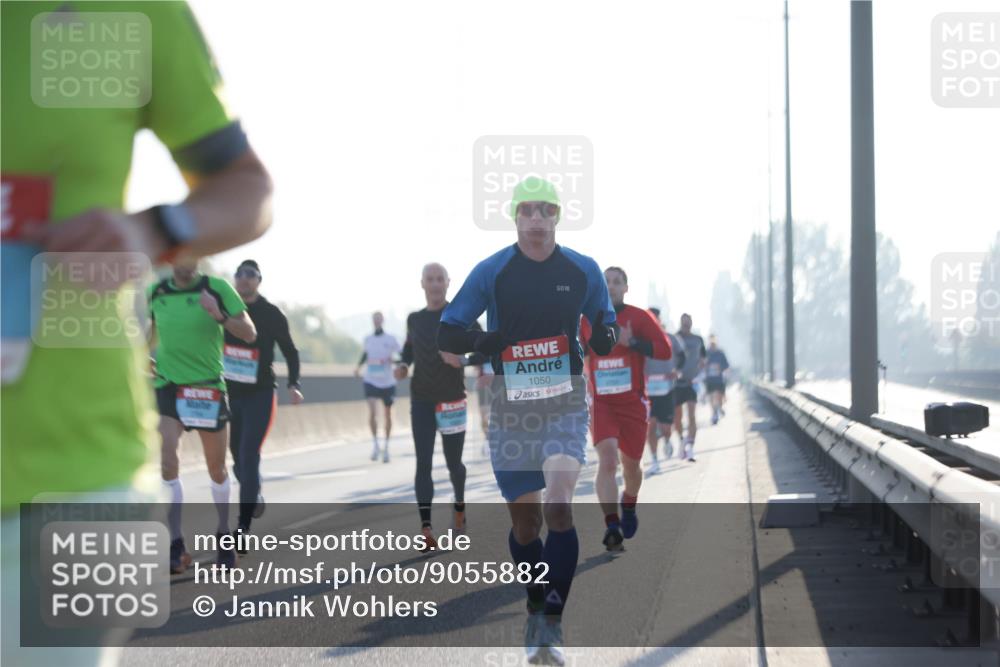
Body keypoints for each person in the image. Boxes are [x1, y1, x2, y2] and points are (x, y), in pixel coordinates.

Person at [1, 3, 271, 664]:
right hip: (164, 391)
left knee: (206, 461)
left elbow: (247, 189)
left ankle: (219, 530)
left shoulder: (133, 13)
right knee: (177, 452)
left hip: (77, 475)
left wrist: (154, 232)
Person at [438, 176, 617, 665]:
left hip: (564, 401)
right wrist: (483, 343)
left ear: (557, 216)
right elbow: (447, 333)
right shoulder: (493, 271)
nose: (536, 219)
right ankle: (535, 597)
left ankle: (550, 624)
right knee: (527, 524)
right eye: (527, 211)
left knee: (559, 506)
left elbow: (604, 317)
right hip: (513, 409)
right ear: (514, 217)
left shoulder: (582, 269)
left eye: (545, 210)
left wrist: (604, 331)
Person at [149, 259, 256, 572]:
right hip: (169, 385)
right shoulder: (155, 291)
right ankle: (176, 544)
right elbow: (144, 331)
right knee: (168, 461)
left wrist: (218, 315)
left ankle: (224, 534)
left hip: (207, 388)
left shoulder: (218, 289)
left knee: (216, 468)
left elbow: (249, 332)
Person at [580, 267, 671, 551]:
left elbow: (665, 350)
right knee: (607, 461)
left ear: (626, 288)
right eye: (606, 282)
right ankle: (611, 525)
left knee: (631, 466)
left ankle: (628, 503)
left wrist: (631, 342)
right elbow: (576, 352)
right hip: (602, 402)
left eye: (617, 282)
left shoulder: (639, 316)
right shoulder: (586, 319)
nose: (611, 286)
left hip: (633, 402)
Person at [395, 263, 483, 549]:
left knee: (453, 464)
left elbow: (486, 345)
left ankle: (459, 506)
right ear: (422, 284)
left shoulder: (460, 316)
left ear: (448, 283)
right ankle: (426, 529)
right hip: (421, 398)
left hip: (452, 400)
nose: (434, 284)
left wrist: (465, 360)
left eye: (439, 279)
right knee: (423, 463)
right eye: (429, 279)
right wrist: (402, 364)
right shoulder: (414, 319)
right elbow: (409, 349)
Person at [225, 260, 304, 546]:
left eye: (250, 275)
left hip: (260, 393)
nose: (244, 279)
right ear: (234, 280)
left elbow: (291, 352)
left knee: (248, 453)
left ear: (259, 280)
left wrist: (293, 384)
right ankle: (252, 488)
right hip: (230, 393)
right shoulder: (226, 311)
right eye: (240, 275)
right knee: (236, 456)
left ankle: (242, 530)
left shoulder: (271, 314)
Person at [643, 307, 685, 474]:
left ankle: (667, 440)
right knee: (651, 426)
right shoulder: (642, 339)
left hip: (667, 388)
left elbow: (682, 357)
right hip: (647, 390)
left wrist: (678, 371)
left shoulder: (671, 338)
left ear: (659, 320)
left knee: (666, 427)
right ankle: (654, 460)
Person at [354, 311, 400, 462]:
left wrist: (393, 361)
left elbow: (402, 356)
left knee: (388, 414)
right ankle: (375, 445)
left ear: (383, 321)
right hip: (371, 380)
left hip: (387, 381)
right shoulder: (368, 339)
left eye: (379, 319)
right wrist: (358, 367)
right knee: (373, 412)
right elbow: (365, 354)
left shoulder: (391, 339)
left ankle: (386, 446)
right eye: (375, 320)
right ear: (372, 321)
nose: (377, 322)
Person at [672, 313, 707, 462]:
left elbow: (704, 359)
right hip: (677, 384)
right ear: (680, 323)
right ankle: (681, 441)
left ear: (691, 323)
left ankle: (691, 447)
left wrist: (699, 375)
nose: (686, 325)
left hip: (692, 383)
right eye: (684, 322)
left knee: (692, 415)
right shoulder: (674, 338)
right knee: (677, 417)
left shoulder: (698, 339)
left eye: (688, 322)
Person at [705, 335, 731, 425]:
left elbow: (726, 365)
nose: (712, 344)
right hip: (709, 379)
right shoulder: (706, 353)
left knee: (719, 397)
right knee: (712, 397)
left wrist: (720, 368)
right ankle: (714, 413)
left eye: (714, 342)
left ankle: (719, 407)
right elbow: (701, 364)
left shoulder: (720, 353)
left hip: (719, 379)